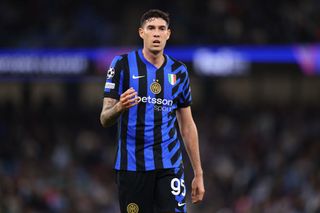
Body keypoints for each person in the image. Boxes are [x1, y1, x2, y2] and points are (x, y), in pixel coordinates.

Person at [100, 9, 205, 213]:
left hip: (169, 165)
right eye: (151, 28)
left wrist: (198, 173)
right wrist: (120, 106)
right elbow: (104, 118)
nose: (156, 33)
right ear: (141, 33)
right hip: (132, 166)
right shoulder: (122, 65)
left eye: (161, 29)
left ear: (168, 34)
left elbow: (187, 125)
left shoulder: (179, 71)